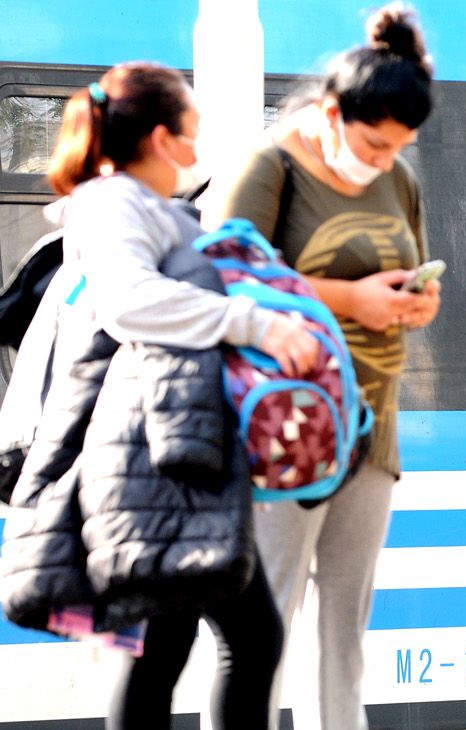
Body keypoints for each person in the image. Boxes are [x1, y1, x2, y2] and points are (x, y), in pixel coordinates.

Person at [39, 62, 317, 729]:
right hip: (148, 459)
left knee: (178, 646)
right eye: (191, 133)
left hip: (170, 452)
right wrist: (256, 324)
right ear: (162, 138)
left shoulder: (146, 203)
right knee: (228, 643)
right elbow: (128, 302)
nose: (196, 149)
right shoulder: (114, 202)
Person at [211, 4, 440, 728]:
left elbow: (402, 271)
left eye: (397, 147)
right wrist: (353, 299)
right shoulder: (270, 167)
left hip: (371, 427)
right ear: (333, 110)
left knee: (347, 631)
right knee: (265, 628)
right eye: (373, 143)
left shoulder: (398, 179)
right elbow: (219, 278)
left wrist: (414, 305)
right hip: (284, 428)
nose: (381, 161)